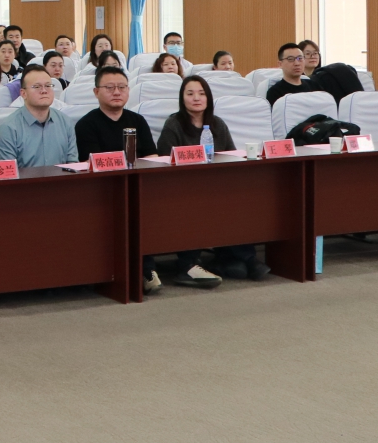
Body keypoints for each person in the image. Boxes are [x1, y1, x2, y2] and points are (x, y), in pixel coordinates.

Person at [75, 66, 215, 291]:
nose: (117, 92)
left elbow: (151, 157)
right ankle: (146, 269)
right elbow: (91, 164)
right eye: (109, 87)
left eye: (122, 87)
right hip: (105, 191)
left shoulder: (137, 120)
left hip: (140, 186)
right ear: (96, 92)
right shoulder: (86, 124)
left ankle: (184, 265)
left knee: (181, 201)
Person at [157, 75, 268, 280]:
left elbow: (231, 156)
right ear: (182, 98)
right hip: (184, 187)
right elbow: (165, 160)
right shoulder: (174, 124)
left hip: (216, 185)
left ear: (208, 98)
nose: (196, 98)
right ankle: (193, 263)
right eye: (190, 94)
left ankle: (241, 259)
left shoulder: (217, 124)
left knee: (239, 200)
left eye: (201, 93)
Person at [0, 64, 78, 170]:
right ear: (23, 93)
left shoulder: (66, 122)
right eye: (37, 87)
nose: (44, 91)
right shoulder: (9, 128)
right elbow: (8, 173)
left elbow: (72, 166)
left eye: (48, 86)